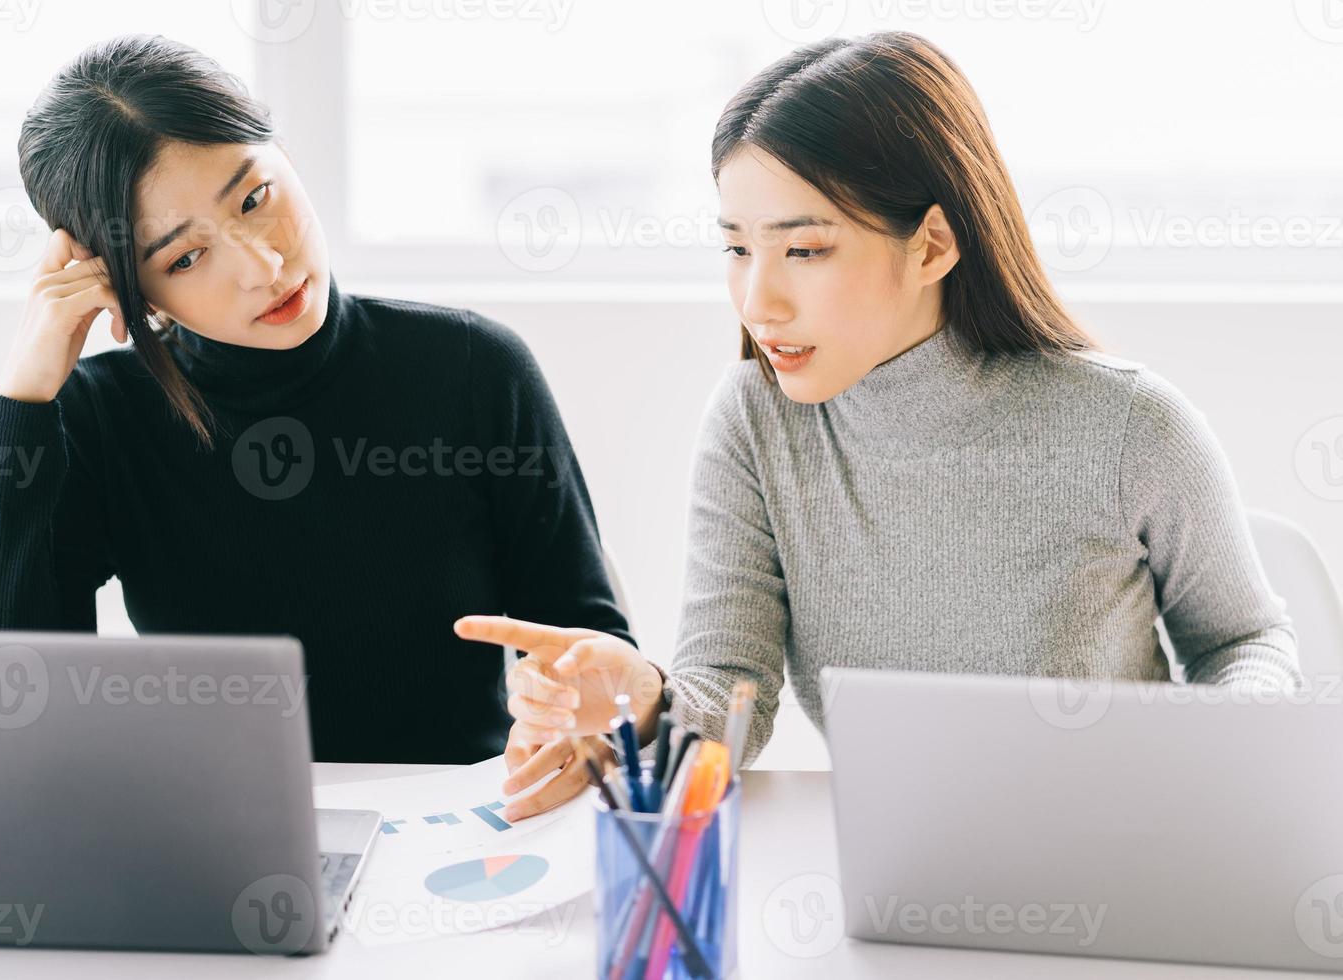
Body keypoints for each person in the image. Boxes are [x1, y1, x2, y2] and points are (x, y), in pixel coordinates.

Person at [456, 31, 1301, 818]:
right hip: (903, 864)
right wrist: (645, 698)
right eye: (738, 248)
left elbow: (1244, 639)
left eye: (805, 250)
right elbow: (729, 697)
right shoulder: (755, 422)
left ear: (932, 245)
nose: (758, 301)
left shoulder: (1131, 425)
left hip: (1125, 852)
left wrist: (1211, 770)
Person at [0, 34, 631, 764]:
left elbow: (597, 659)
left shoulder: (472, 367)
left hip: (463, 840)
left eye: (254, 197)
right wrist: (22, 397)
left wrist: (572, 725)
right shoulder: (102, 418)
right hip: (217, 846)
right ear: (132, 290)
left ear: (288, 157)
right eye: (186, 256)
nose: (263, 265)